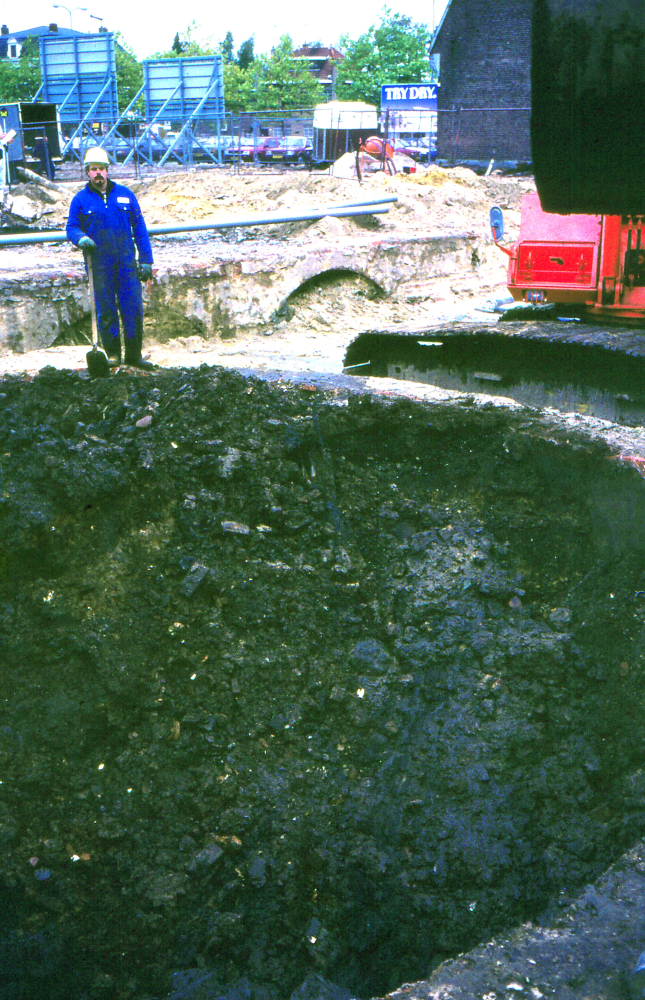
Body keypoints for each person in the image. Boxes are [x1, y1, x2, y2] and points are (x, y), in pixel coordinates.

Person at [66, 146, 155, 369]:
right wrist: (80, 239)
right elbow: (71, 227)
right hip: (99, 264)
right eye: (93, 169)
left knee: (133, 308)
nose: (98, 173)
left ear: (107, 170)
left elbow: (140, 228)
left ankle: (134, 355)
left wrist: (146, 259)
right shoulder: (80, 200)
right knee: (106, 310)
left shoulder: (126, 194)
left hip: (126, 263)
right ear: (87, 172)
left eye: (102, 168)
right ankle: (113, 354)